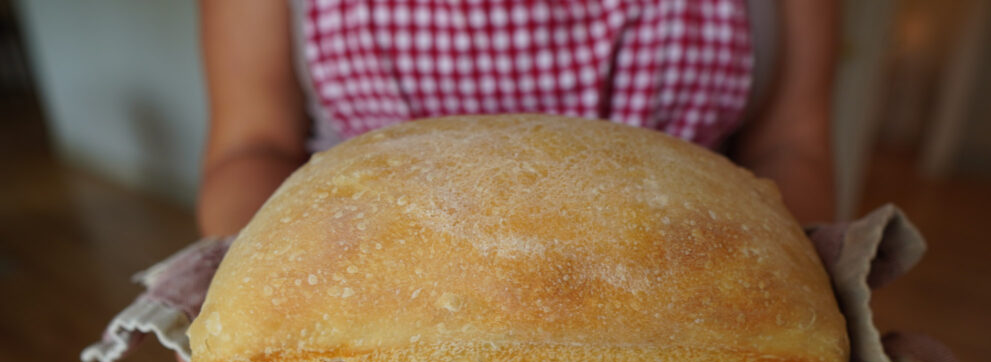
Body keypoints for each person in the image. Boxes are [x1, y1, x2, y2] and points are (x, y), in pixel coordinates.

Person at [196, 0, 839, 239]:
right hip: (372, 280)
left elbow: (793, 144)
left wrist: (785, 280)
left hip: (686, 273)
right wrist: (244, 279)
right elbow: (253, 145)